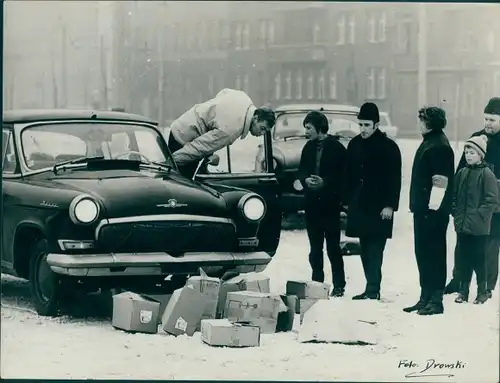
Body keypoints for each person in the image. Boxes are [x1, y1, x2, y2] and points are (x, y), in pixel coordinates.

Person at [343, 102, 402, 300]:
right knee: (364, 247)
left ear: (376, 125)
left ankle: (373, 288)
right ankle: (370, 286)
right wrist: (347, 201)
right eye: (360, 125)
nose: (363, 129)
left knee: (375, 248)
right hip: (360, 205)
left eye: (367, 125)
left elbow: (394, 179)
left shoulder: (389, 147)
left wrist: (389, 205)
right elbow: (349, 175)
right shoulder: (355, 144)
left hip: (379, 207)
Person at [445, 97, 500, 298]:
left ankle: (487, 286)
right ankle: (459, 280)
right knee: (463, 245)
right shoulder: (476, 139)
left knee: (490, 246)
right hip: (468, 208)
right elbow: (461, 171)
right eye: (486, 119)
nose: (488, 124)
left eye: (493, 120)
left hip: (493, 208)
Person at [404, 106, 455, 315]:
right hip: (423, 210)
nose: (419, 123)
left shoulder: (439, 145)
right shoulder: (430, 142)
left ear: (429, 123)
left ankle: (436, 299)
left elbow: (440, 182)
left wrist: (432, 209)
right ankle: (425, 296)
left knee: (433, 253)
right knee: (423, 253)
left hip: (432, 212)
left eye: (421, 120)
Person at [167, 88, 276, 178]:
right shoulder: (232, 130)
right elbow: (199, 148)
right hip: (183, 139)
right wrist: (170, 162)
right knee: (184, 187)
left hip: (187, 121)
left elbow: (223, 92)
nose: (261, 133)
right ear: (256, 118)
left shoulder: (244, 98)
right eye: (262, 128)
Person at [298, 111, 348, 297]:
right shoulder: (307, 148)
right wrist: (305, 181)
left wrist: (324, 182)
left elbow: (343, 176)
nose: (306, 132)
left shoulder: (337, 148)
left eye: (309, 128)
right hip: (312, 205)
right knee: (315, 248)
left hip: (330, 205)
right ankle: (317, 283)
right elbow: (301, 171)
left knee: (333, 247)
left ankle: (339, 285)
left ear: (320, 128)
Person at [452, 135, 499, 304]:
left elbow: (492, 199)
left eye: (472, 152)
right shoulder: (462, 173)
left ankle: (482, 291)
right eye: (466, 152)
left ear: (480, 155)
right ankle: (463, 291)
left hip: (479, 227)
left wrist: (480, 215)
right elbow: (454, 195)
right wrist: (455, 212)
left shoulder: (487, 174)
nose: (468, 155)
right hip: (463, 226)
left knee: (479, 259)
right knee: (463, 259)